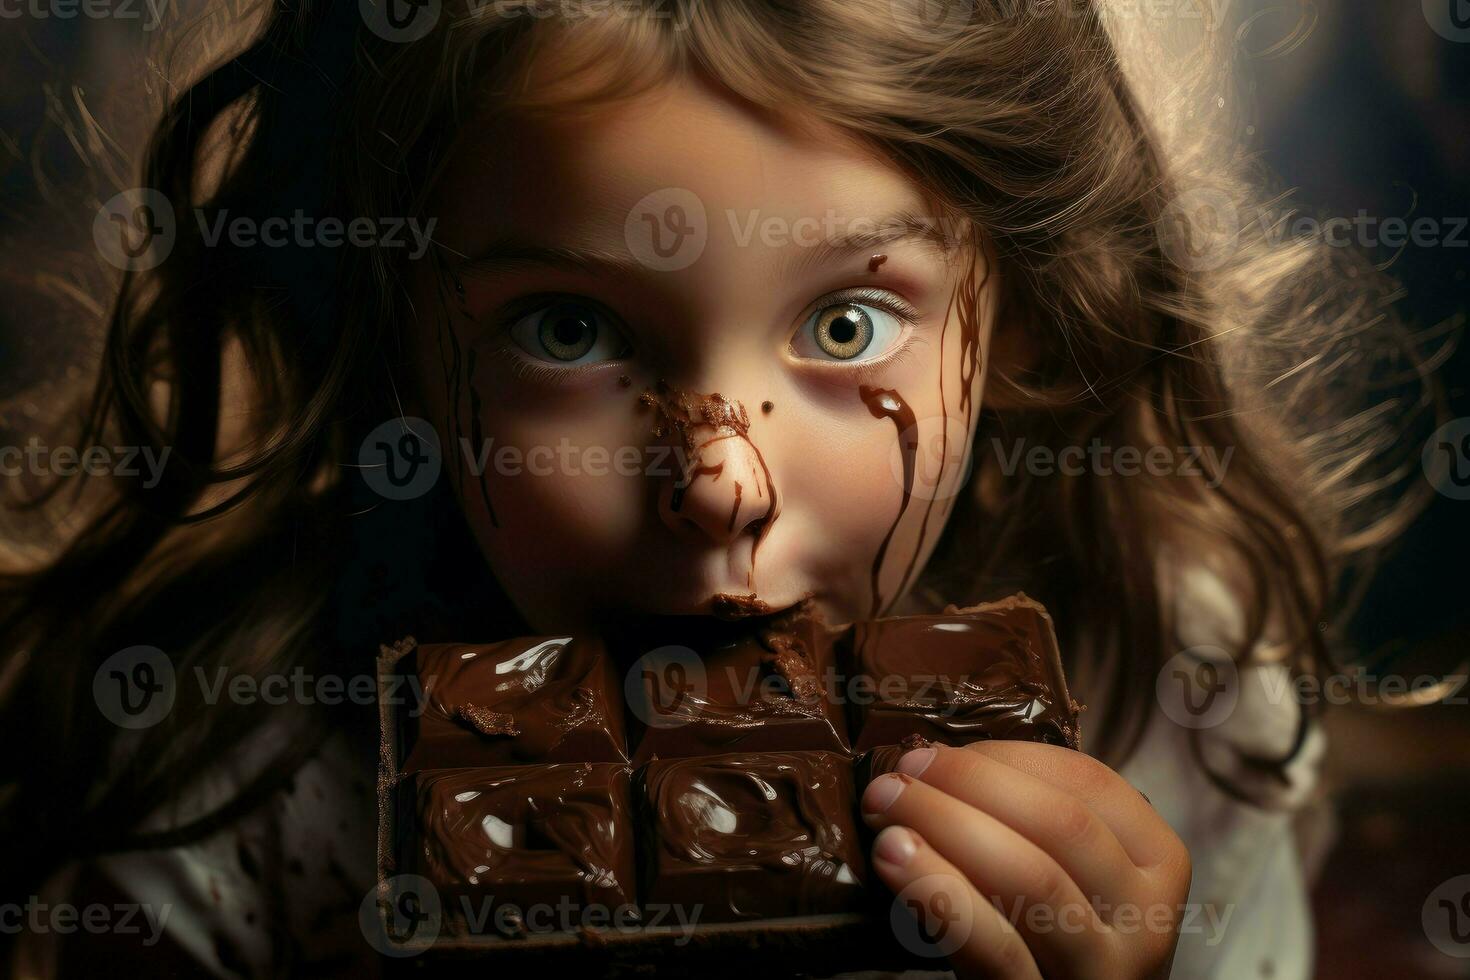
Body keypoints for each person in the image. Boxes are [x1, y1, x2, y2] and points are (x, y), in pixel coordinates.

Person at [1, 1, 1430, 976]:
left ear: (1032, 318)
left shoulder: (1168, 696)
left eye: (846, 326)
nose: (718, 486)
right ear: (383, 344)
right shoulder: (223, 785)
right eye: (567, 330)